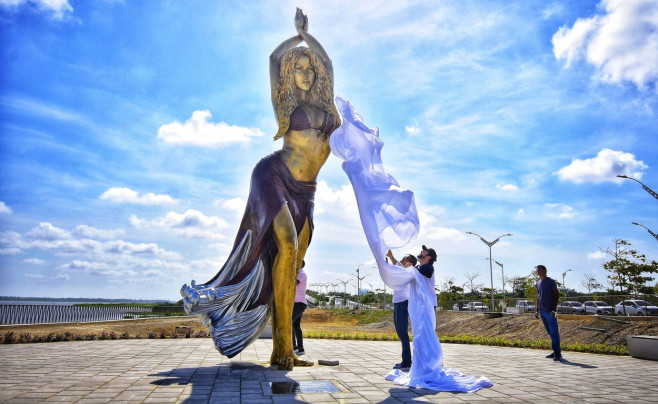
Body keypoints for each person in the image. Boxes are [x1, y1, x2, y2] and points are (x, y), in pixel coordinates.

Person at [180, 8, 340, 370]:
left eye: (309, 69)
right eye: (298, 68)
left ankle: (282, 349)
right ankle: (283, 351)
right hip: (272, 175)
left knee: (291, 264)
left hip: (306, 191)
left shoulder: (326, 106)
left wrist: (312, 42)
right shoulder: (287, 104)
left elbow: (328, 62)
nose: (305, 73)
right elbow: (273, 59)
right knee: (287, 244)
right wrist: (298, 35)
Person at [386, 250, 417, 370]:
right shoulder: (402, 270)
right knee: (400, 332)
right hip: (398, 303)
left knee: (403, 332)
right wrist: (390, 258)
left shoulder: (407, 272)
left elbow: (396, 267)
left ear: (409, 262)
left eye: (405, 258)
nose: (402, 259)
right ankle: (406, 359)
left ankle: (406, 361)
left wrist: (388, 265)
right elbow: (396, 264)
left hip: (403, 303)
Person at [535, 264, 562, 361]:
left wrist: (554, 310)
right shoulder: (538, 283)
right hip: (542, 311)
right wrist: (537, 310)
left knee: (554, 332)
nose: (538, 272)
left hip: (550, 311)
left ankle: (558, 354)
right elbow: (538, 297)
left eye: (539, 270)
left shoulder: (550, 281)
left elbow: (556, 295)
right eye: (537, 270)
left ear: (545, 271)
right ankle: (555, 351)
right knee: (550, 332)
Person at [292, 260, 308, 355]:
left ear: (301, 264)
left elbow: (294, 284)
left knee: (289, 323)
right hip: (298, 302)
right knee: (296, 325)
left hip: (299, 303)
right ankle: (300, 348)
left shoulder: (301, 274)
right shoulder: (298, 273)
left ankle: (293, 346)